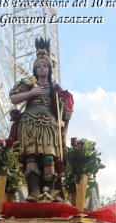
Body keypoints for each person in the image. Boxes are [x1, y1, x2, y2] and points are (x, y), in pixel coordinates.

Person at [9, 37, 73, 201]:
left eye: (45, 66)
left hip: (49, 126)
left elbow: (65, 110)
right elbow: (14, 99)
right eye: (39, 66)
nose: (42, 69)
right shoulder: (29, 83)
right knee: (31, 156)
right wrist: (31, 94)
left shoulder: (54, 88)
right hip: (30, 123)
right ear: (35, 70)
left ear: (49, 70)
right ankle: (34, 192)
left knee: (49, 157)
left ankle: (50, 193)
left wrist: (62, 103)